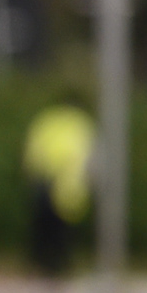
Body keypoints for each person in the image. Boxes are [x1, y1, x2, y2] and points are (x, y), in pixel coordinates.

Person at [23, 96, 96, 281]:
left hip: (46, 179)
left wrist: (32, 174)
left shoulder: (47, 119)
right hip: (70, 184)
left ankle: (43, 263)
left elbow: (33, 148)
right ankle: (59, 265)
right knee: (63, 229)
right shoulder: (81, 122)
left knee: (44, 225)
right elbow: (91, 154)